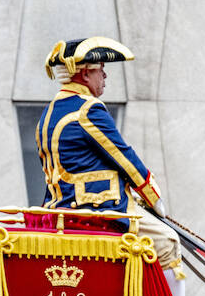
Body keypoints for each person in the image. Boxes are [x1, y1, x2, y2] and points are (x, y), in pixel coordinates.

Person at [37, 38, 160, 216]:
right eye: (101, 69)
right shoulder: (88, 109)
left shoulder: (49, 112)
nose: (105, 75)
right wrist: (152, 196)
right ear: (86, 74)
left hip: (57, 207)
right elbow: (123, 156)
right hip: (97, 208)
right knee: (167, 238)